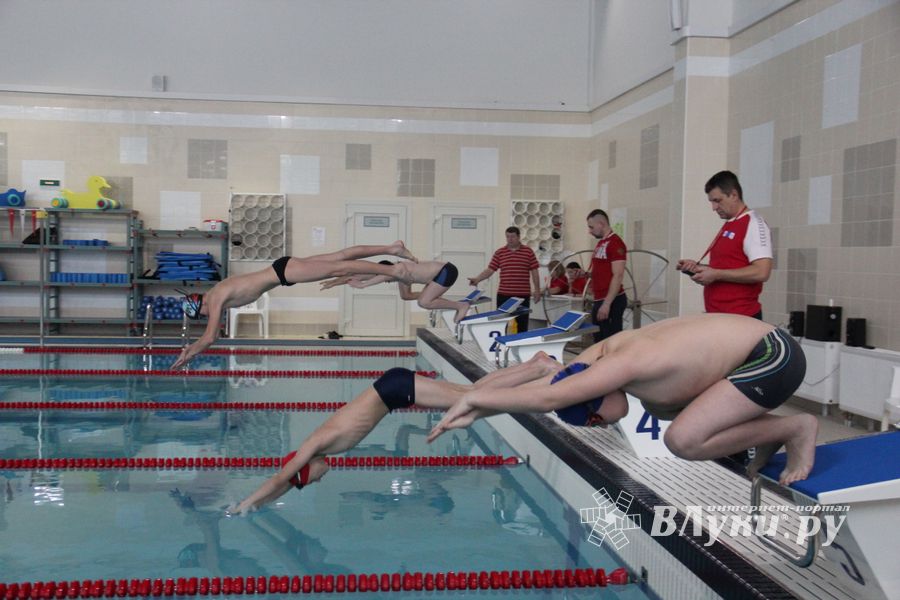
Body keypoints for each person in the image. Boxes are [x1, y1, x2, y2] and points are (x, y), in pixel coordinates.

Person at [428, 313, 815, 486]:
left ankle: (794, 428)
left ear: (594, 397)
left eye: (597, 420)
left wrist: (476, 405)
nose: (605, 424)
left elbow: (549, 398)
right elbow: (546, 380)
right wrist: (477, 403)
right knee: (660, 406)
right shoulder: (592, 361)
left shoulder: (620, 365)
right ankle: (766, 434)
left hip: (773, 356)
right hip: (753, 352)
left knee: (682, 439)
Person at [227, 353, 561, 515]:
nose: (318, 480)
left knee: (472, 396)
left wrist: (246, 502)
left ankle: (539, 368)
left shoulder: (315, 443)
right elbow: (286, 483)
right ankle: (536, 366)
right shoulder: (318, 450)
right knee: (471, 394)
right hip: (393, 390)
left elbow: (280, 478)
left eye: (311, 479)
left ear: (305, 467)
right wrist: (259, 505)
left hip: (395, 389)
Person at [171, 241, 417, 369]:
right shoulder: (217, 292)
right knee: (341, 257)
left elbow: (210, 337)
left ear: (200, 306)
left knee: (340, 266)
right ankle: (391, 248)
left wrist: (189, 352)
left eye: (202, 315)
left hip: (284, 273)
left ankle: (393, 270)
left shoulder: (215, 298)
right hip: (283, 268)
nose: (207, 316)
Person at [676, 170, 773, 319]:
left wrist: (716, 274)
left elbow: (762, 272)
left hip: (740, 317)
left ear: (733, 195)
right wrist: (699, 268)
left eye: (717, 200)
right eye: (711, 202)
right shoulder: (731, 223)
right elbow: (727, 266)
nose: (714, 207)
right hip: (719, 316)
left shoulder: (753, 223)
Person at [319, 260, 471, 323]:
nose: (385, 281)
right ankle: (435, 297)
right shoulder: (400, 276)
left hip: (446, 271)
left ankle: (461, 306)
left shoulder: (397, 268)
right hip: (437, 276)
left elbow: (384, 275)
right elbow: (353, 276)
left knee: (424, 302)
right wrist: (332, 283)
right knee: (406, 296)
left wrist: (363, 286)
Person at [467, 226, 540, 333]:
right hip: (504, 295)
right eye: (507, 237)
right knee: (501, 325)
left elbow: (535, 272)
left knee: (522, 325)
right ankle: (500, 343)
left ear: (518, 237)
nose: (510, 239)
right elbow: (490, 269)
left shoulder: (528, 252)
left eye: (512, 236)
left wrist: (537, 290)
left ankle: (519, 343)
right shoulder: (500, 252)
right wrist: (478, 279)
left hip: (522, 295)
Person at [586, 209, 627, 342]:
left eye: (591, 227)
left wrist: (607, 304)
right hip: (600, 298)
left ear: (601, 224)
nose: (590, 231)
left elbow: (618, 275)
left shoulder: (615, 243)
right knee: (599, 340)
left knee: (610, 342)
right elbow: (601, 271)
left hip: (611, 300)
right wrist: (586, 274)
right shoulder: (601, 243)